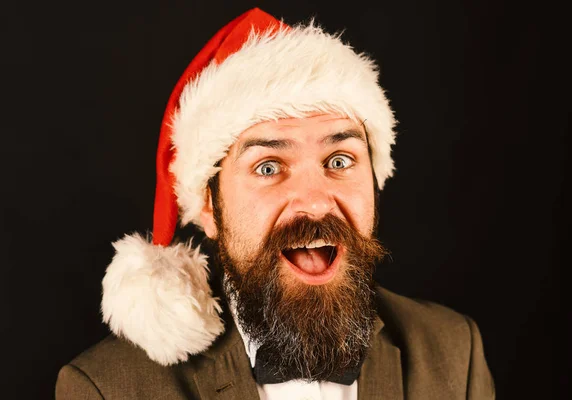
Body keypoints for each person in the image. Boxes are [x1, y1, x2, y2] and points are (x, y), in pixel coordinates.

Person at [56, 7, 495, 399]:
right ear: (209, 206)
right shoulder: (106, 388)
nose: (315, 203)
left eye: (339, 160)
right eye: (268, 166)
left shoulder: (456, 353)